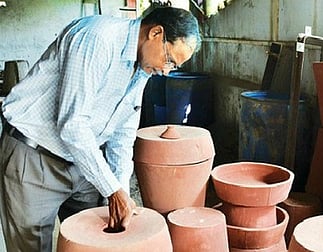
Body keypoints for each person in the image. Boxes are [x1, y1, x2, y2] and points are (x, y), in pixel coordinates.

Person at [0, 6, 201, 251]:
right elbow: (72, 125)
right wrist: (112, 190)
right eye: (169, 60)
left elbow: (122, 134)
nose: (166, 70)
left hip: (82, 159)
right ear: (156, 33)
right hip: (34, 157)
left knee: (99, 239)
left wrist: (120, 190)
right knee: (30, 246)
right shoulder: (97, 39)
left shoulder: (143, 68)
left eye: (174, 66)